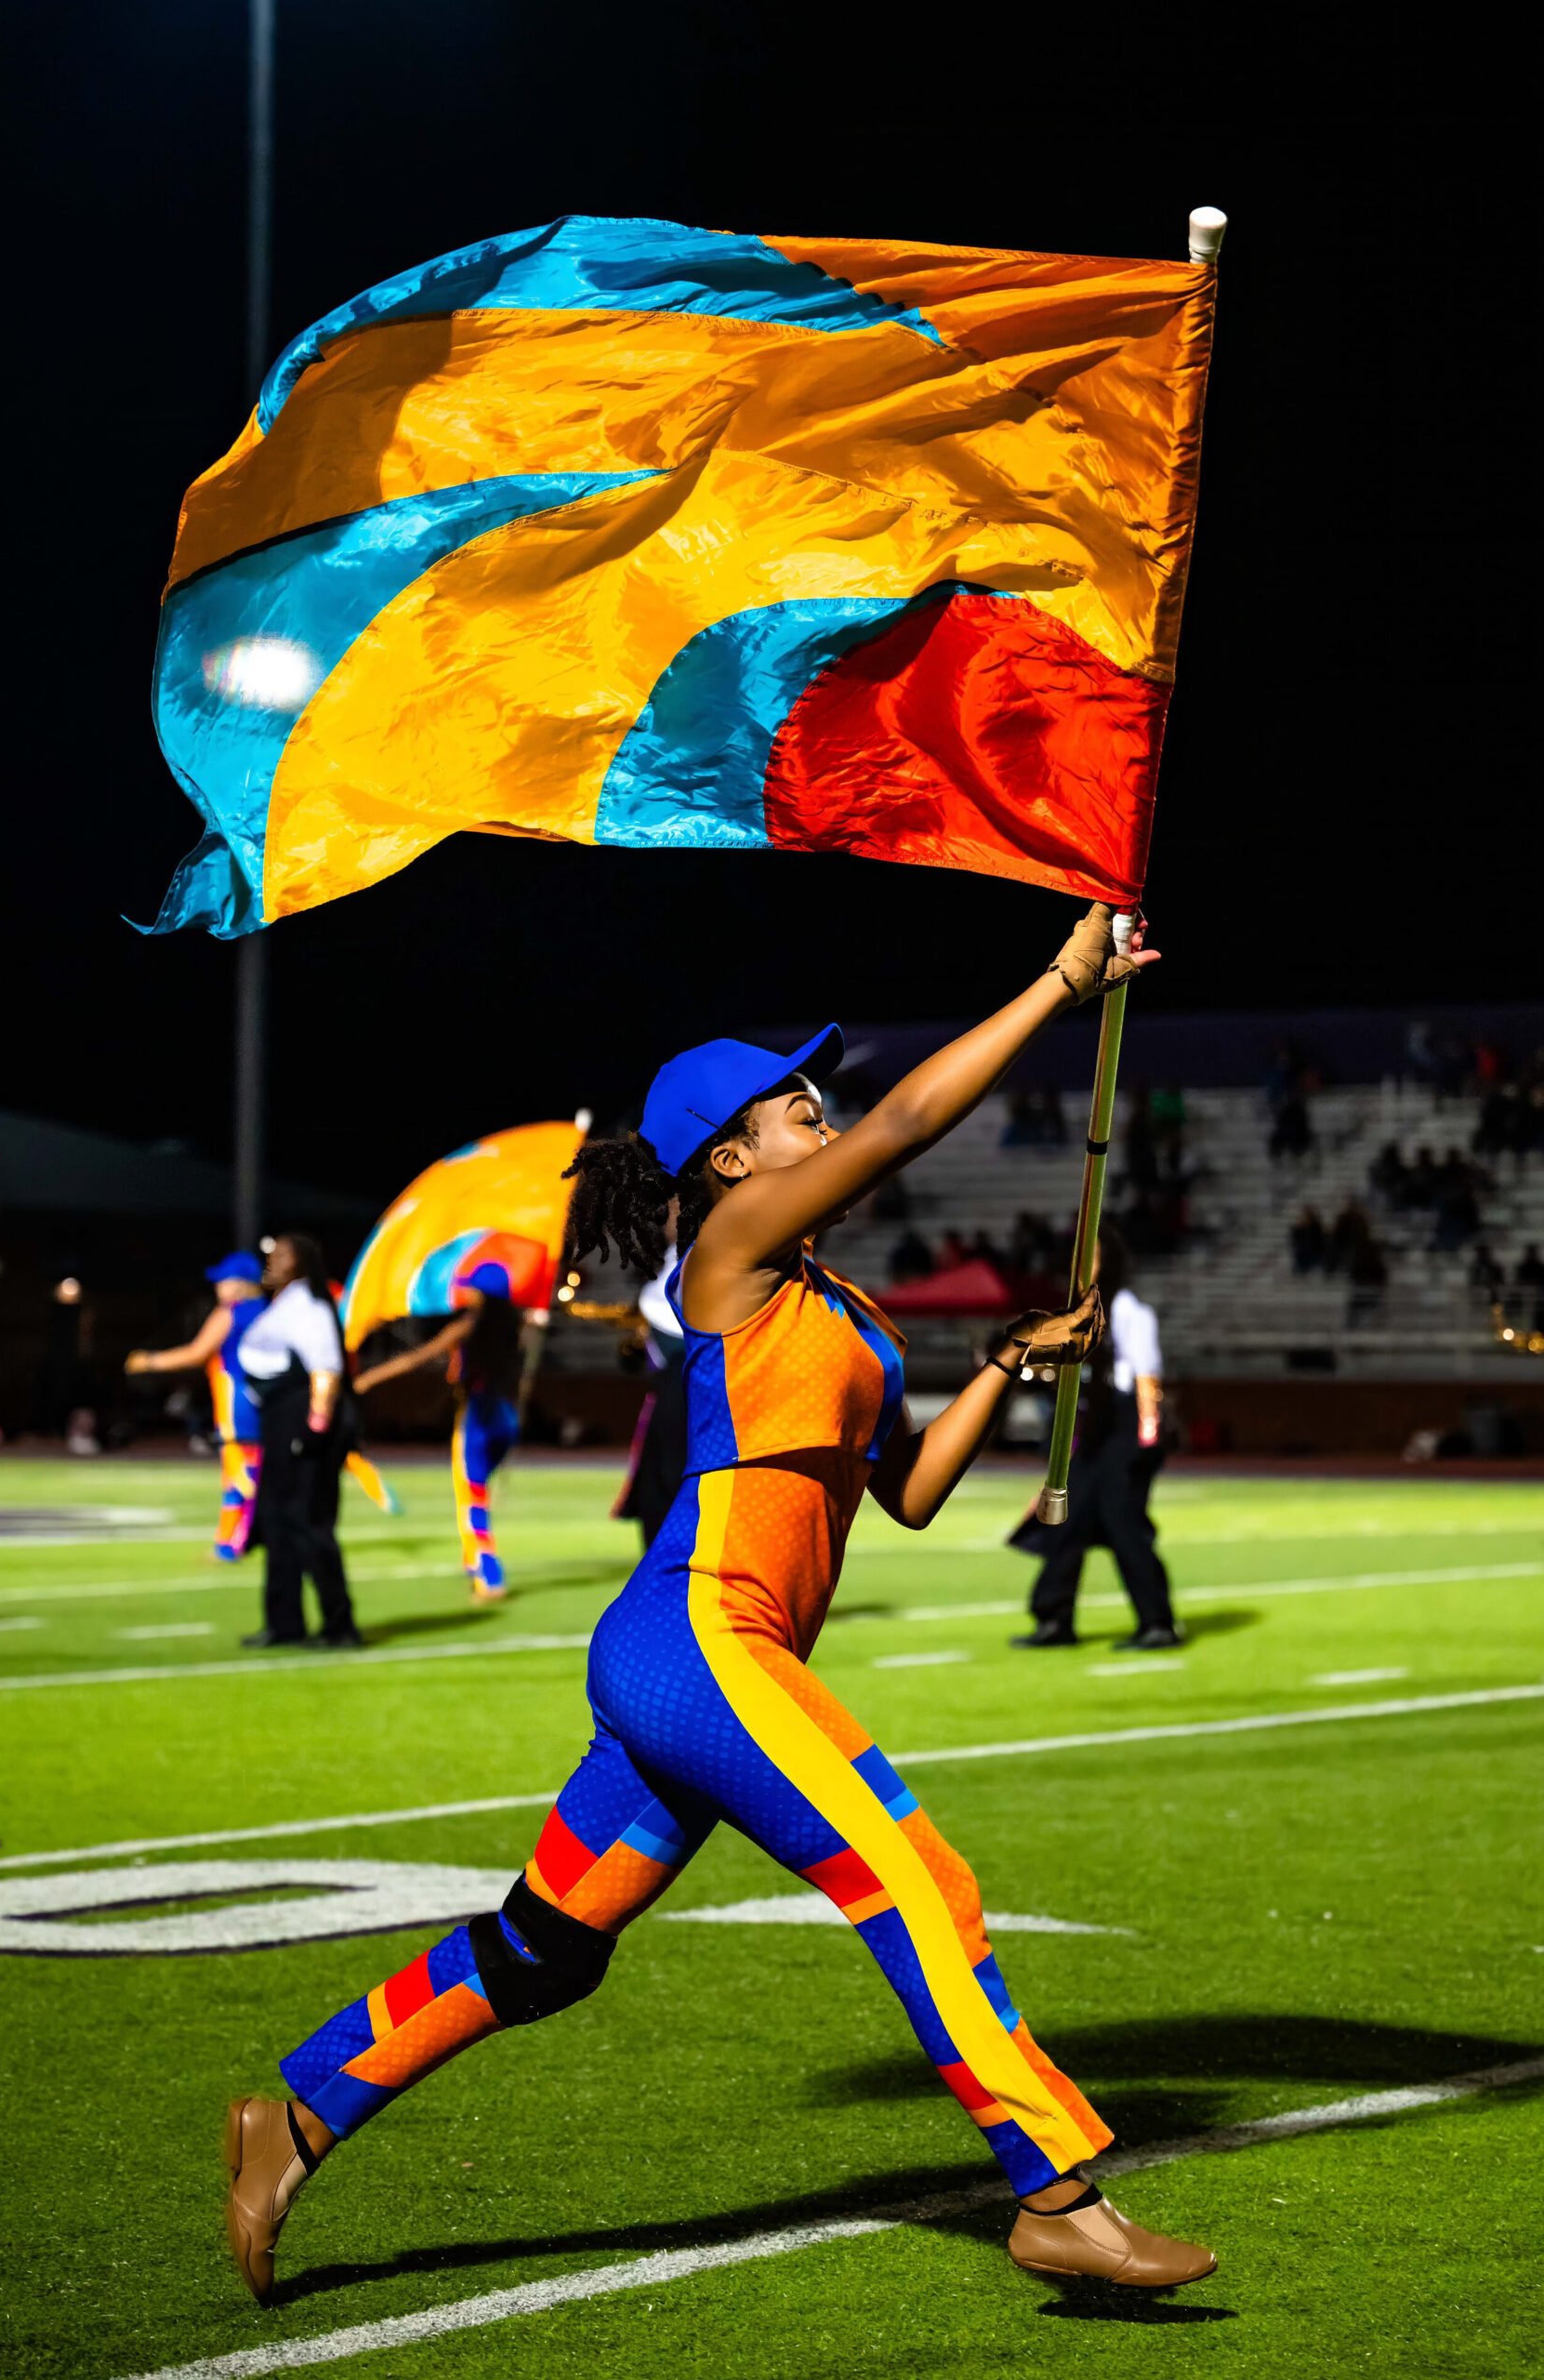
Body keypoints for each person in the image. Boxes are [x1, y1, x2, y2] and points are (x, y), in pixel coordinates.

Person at [223, 903, 1216, 2304]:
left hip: (688, 1665)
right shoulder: (729, 1250)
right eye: (794, 1105)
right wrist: (1058, 983)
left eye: (817, 1102)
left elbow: (913, 1492)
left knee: (546, 1948)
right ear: (728, 1155)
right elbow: (903, 1129)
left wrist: (1004, 1362)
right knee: (914, 1878)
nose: (823, 1114)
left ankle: (304, 2108)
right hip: (700, 1635)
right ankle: (1055, 2189)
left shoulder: (837, 1308)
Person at [1009, 1224, 1180, 1653]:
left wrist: (1146, 1436)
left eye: (1093, 1254)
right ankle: (1054, 1620)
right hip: (1093, 1425)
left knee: (1124, 1524)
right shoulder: (1077, 1313)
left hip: (1123, 1428)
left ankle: (1158, 1623)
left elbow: (1146, 1374)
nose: (1082, 1263)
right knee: (1067, 1520)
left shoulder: (1128, 1310)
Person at [352, 1262, 528, 1600]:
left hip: (478, 1415)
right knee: (479, 1491)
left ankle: (488, 1577)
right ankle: (472, 1563)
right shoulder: (516, 1329)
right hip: (507, 1418)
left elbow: (416, 1358)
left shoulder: (469, 1326)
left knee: (471, 1497)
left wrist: (367, 1380)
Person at [237, 1234, 360, 1648]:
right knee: (275, 1523)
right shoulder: (285, 1303)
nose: (272, 1261)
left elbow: (325, 1368)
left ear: (303, 1262)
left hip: (302, 1423)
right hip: (279, 1422)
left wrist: (315, 1426)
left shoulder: (309, 1305)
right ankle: (283, 1622)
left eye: (283, 1255)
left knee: (309, 1524)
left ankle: (339, 1626)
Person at [125, 1253, 267, 1559]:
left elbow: (197, 1352)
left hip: (235, 1399)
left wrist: (149, 1361)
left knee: (238, 1471)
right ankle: (253, 1536)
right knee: (257, 1467)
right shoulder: (270, 1310)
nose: (218, 1287)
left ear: (241, 1284)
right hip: (267, 1398)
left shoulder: (230, 1313)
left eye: (223, 1281)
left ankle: (230, 1544)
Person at [612, 1225, 688, 1549]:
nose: (665, 1218)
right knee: (659, 1481)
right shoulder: (674, 1256)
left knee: (671, 1480)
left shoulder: (699, 1250)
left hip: (688, 1383)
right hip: (671, 1382)